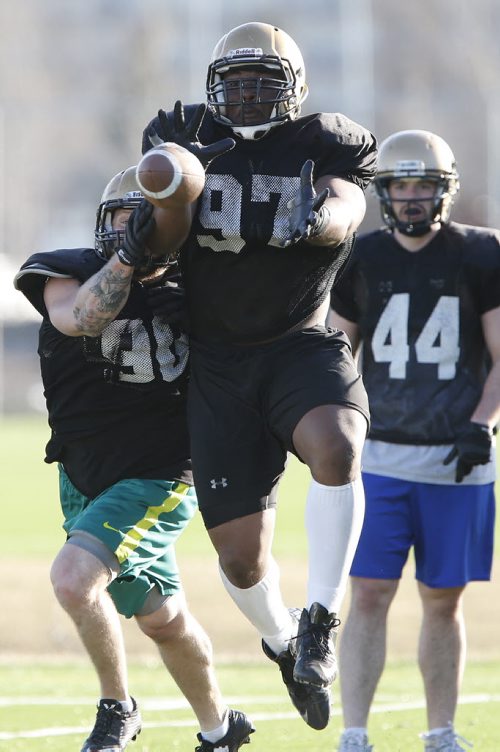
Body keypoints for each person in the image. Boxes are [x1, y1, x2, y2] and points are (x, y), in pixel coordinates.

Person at [142, 21, 378, 731]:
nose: (245, 97)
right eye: (233, 84)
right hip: (215, 362)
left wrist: (321, 220)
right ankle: (283, 642)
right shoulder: (181, 132)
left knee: (337, 447)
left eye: (261, 83)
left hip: (299, 343)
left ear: (294, 90)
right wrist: (170, 193)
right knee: (242, 562)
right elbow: (159, 225)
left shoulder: (326, 139)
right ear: (214, 89)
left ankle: (321, 620)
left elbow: (348, 204)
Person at [14, 167, 254, 752]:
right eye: (127, 217)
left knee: (73, 582)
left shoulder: (199, 294)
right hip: (81, 474)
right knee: (162, 619)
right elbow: (80, 318)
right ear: (105, 222)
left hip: (161, 473)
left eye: (151, 220)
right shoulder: (62, 270)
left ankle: (117, 707)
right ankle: (221, 729)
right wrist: (126, 258)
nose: (139, 229)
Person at [328, 129, 500, 752]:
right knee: (367, 594)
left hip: (457, 457)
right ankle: (354, 733)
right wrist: (333, 424)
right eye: (399, 186)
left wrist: (482, 421)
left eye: (422, 186)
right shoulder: (363, 257)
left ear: (443, 191)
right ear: (384, 193)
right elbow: (334, 352)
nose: (410, 198)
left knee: (442, 602)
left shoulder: (481, 254)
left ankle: (441, 731)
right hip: (380, 458)